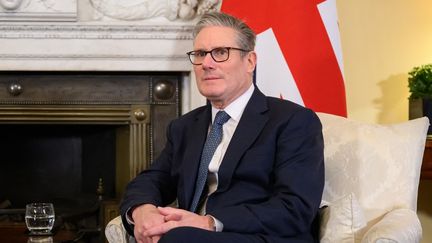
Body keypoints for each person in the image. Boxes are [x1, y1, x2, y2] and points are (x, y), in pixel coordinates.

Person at [120, 11, 324, 243]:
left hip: (260, 237)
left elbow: (295, 208)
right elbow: (151, 180)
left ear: (250, 62)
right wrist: (143, 210)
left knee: (178, 238)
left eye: (220, 53)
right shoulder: (185, 126)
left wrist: (209, 222)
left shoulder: (292, 121)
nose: (207, 63)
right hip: (188, 236)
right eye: (200, 54)